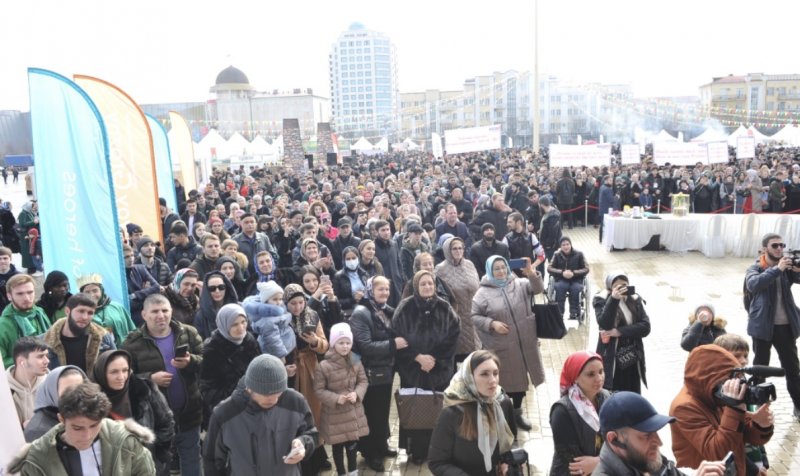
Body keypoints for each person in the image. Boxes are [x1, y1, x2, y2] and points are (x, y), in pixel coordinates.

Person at [122, 294, 204, 476]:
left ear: (171, 312)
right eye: (155, 311)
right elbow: (123, 378)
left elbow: (207, 362)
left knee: (192, 459)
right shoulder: (132, 343)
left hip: (189, 412)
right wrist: (150, 378)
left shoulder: (188, 333)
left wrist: (191, 362)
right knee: (160, 464)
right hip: (155, 418)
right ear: (144, 314)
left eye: (165, 310)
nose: (161, 315)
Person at [203, 354, 318, 476]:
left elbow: (311, 434)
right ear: (250, 388)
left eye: (278, 393)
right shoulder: (224, 413)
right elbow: (212, 460)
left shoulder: (296, 402)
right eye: (264, 393)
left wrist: (303, 444)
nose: (272, 399)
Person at [670, 344, 774, 476]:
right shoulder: (684, 408)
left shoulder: (714, 394)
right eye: (727, 381)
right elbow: (719, 453)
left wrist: (761, 425)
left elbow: (744, 435)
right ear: (710, 380)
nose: (730, 387)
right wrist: (735, 408)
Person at [10, 382, 157, 475]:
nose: (87, 435)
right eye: (77, 428)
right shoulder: (38, 457)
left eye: (94, 426)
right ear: (61, 419)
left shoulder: (125, 440)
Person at [392, 270, 461, 465]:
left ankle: (441, 450)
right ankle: (417, 451)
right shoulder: (405, 308)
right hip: (413, 370)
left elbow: (454, 334)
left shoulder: (444, 307)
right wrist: (417, 357)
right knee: (416, 411)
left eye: (430, 283)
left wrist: (435, 359)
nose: (427, 287)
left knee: (440, 410)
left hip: (440, 370)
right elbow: (396, 337)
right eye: (423, 284)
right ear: (416, 287)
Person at [471, 255, 545, 432]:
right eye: (496, 268)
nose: (501, 271)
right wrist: (492, 324)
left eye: (503, 267)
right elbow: (474, 316)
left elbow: (538, 289)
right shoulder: (482, 293)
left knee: (520, 380)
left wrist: (531, 274)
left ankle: (518, 413)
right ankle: (501, 415)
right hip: (501, 344)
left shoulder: (519, 283)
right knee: (503, 380)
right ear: (490, 270)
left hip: (523, 342)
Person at [428, 350, 517, 476]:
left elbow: (510, 441)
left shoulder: (503, 402)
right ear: (469, 377)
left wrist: (507, 463)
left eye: (495, 373)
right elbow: (437, 462)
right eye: (484, 374)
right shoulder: (452, 412)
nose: (493, 380)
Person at [595, 391, 727, 476]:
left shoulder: (648, 458)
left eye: (655, 432)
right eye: (646, 435)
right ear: (614, 439)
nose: (659, 442)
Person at [744, 233, 800, 420]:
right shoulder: (756, 268)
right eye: (775, 245)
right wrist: (777, 270)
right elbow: (753, 285)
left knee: (793, 369)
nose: (779, 248)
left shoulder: (786, 267)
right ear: (764, 249)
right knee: (760, 369)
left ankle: (798, 406)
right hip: (762, 327)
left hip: (785, 327)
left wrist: (798, 269)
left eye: (782, 245)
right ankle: (759, 408)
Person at [92, 349, 175, 473]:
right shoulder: (92, 401)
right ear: (101, 373)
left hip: (149, 466)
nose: (121, 377)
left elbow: (166, 423)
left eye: (125, 370)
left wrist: (155, 452)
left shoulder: (144, 389)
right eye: (114, 372)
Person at [349, 276, 400, 472]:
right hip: (371, 370)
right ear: (371, 290)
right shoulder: (362, 312)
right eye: (381, 289)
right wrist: (393, 345)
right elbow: (366, 346)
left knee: (382, 411)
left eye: (387, 289)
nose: (385, 293)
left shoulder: (385, 309)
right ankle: (371, 453)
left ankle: (382, 445)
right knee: (371, 412)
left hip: (385, 369)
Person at [283, 283, 331, 473]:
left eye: (301, 302)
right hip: (291, 371)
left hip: (310, 369)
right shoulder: (281, 318)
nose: (297, 307)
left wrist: (314, 342)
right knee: (294, 415)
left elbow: (325, 345)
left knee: (314, 413)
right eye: (293, 303)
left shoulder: (312, 315)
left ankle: (318, 454)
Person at [313, 323, 369, 476]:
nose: (345, 346)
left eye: (348, 342)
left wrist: (357, 394)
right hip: (334, 414)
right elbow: (318, 390)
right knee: (337, 448)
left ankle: (353, 472)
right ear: (333, 343)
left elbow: (363, 381)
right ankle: (341, 473)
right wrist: (336, 398)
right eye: (341, 343)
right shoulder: (324, 366)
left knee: (352, 446)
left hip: (352, 412)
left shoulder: (356, 361)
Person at [714, 334, 771, 475]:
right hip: (740, 466)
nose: (743, 361)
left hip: (754, 457)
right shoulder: (721, 394)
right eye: (737, 356)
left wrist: (763, 461)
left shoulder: (743, 385)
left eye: (746, 356)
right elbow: (730, 443)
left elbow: (751, 426)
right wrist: (754, 470)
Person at [549, 350, 610, 476]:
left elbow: (617, 438)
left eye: (601, 371)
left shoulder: (605, 397)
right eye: (590, 374)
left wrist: (599, 462)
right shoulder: (562, 411)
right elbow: (574, 462)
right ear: (575, 377)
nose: (599, 378)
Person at [199, 303, 260, 428]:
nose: (241, 327)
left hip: (256, 405)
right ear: (224, 325)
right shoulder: (212, 350)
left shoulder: (249, 340)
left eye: (243, 322)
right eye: (234, 324)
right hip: (230, 412)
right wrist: (238, 394)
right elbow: (207, 391)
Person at [595, 272, 651, 394]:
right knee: (614, 389)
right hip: (611, 352)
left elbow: (646, 327)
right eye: (616, 286)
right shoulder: (601, 299)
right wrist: (614, 300)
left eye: (624, 285)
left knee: (632, 388)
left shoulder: (635, 299)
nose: (621, 288)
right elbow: (605, 324)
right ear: (610, 287)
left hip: (632, 351)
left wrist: (620, 331)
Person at [42, 293, 116, 375]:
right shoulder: (44, 342)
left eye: (90, 313)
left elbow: (116, 366)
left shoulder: (103, 337)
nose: (85, 317)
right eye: (81, 311)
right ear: (67, 311)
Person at [435, 236, 481, 361]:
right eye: (454, 248)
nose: (458, 251)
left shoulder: (469, 264)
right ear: (447, 250)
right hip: (454, 317)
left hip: (472, 315)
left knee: (474, 356)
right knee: (456, 355)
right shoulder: (440, 269)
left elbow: (478, 286)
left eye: (460, 248)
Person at [24, 365, 87, 442]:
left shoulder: (85, 412)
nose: (76, 395)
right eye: (68, 391)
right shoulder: (37, 432)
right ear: (52, 392)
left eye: (80, 389)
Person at [0, 275, 51, 368]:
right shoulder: (3, 324)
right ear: (9, 296)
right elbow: (2, 361)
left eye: (30, 292)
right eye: (20, 294)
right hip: (18, 378)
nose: (27, 298)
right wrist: (29, 359)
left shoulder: (39, 312)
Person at [244, 281, 297, 365]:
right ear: (266, 301)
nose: (279, 302)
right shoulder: (268, 320)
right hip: (279, 354)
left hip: (286, 348)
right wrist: (281, 356)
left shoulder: (276, 311)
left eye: (280, 299)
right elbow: (273, 340)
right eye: (275, 299)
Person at [78, 274, 137, 346]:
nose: (92, 295)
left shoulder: (117, 307)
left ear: (101, 291)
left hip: (123, 353)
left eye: (95, 290)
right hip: (96, 355)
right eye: (87, 292)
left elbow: (133, 333)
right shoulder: (79, 313)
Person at [7, 337, 49, 428]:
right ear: (21, 362)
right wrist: (22, 428)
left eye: (46, 355)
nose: (47, 361)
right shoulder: (4, 389)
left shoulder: (51, 383)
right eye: (40, 356)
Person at [547, 236, 589, 320]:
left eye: (567, 244)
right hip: (561, 279)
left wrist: (573, 273)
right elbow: (549, 268)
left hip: (576, 279)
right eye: (563, 245)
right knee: (560, 287)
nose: (566, 246)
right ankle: (559, 312)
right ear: (560, 246)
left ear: (571, 245)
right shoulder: (557, 254)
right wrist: (562, 273)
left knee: (576, 289)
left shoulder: (579, 254)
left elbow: (586, 268)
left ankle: (574, 312)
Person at [299, 265, 344, 339]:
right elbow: (304, 316)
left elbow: (336, 320)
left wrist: (331, 299)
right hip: (315, 339)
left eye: (315, 280)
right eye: (307, 281)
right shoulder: (300, 298)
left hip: (331, 336)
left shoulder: (324, 296)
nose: (312, 284)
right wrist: (316, 295)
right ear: (301, 282)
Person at [193, 271, 238, 340]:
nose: (217, 291)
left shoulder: (238, 309)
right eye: (212, 288)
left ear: (227, 288)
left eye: (221, 287)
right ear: (207, 290)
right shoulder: (200, 316)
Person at [233, 212, 277, 278]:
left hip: (265, 274)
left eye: (252, 222)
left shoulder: (263, 238)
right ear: (241, 224)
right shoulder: (235, 240)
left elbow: (272, 255)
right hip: (246, 277)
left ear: (256, 223)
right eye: (246, 222)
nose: (250, 224)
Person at [374, 220, 405, 307]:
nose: (386, 232)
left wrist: (401, 279)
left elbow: (399, 263)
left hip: (396, 285)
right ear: (377, 232)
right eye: (383, 230)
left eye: (388, 229)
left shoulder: (394, 244)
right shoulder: (374, 247)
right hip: (383, 287)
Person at [332, 246, 369, 317]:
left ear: (358, 258)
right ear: (344, 260)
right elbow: (335, 301)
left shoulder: (364, 274)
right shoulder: (338, 277)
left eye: (354, 258)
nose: (351, 261)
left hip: (366, 310)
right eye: (348, 259)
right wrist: (353, 299)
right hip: (349, 314)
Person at [538, 196, 562, 265]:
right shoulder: (549, 213)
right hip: (547, 244)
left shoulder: (553, 215)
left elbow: (553, 232)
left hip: (550, 246)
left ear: (541, 205)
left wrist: (548, 244)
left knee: (551, 264)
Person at [16, 201, 38, 274]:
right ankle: (30, 267)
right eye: (31, 206)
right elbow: (23, 224)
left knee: (31, 250)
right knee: (27, 251)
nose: (32, 207)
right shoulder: (23, 213)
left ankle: (33, 265)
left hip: (30, 234)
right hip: (25, 235)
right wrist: (33, 222)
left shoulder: (28, 212)